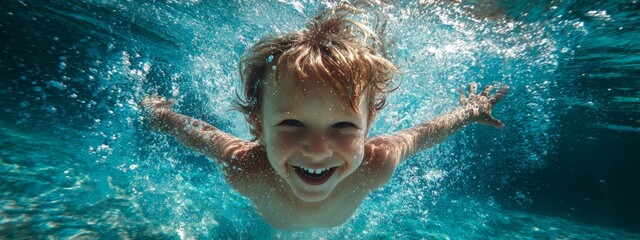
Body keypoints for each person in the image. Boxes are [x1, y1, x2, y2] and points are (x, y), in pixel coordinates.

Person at [141, 4, 508, 230]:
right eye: (292, 123)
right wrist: (160, 115)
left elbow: (418, 135)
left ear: (369, 126)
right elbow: (205, 136)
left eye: (344, 125)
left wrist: (468, 112)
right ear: (257, 126)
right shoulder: (247, 168)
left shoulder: (375, 165)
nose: (317, 150)